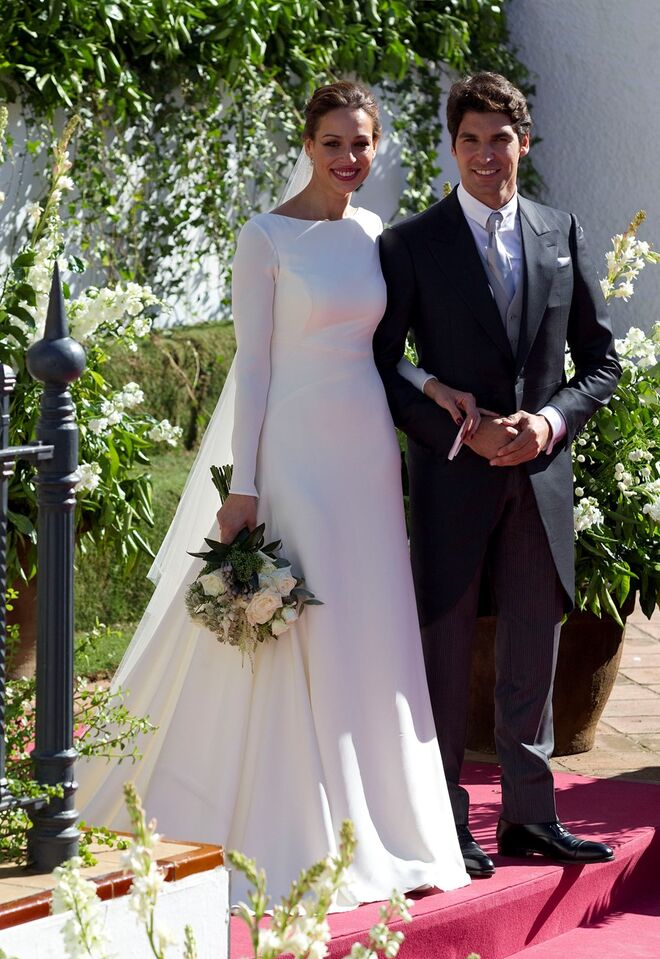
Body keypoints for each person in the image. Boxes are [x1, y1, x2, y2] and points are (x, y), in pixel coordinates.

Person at [76, 80, 472, 908]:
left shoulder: (374, 233)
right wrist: (244, 485)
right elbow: (252, 369)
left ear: (377, 145)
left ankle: (382, 819)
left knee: (367, 619)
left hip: (367, 455)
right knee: (302, 623)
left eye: (361, 143)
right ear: (308, 144)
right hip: (296, 455)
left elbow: (381, 352)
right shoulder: (266, 237)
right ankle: (295, 824)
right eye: (333, 143)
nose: (349, 158)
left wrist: (430, 385)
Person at [373, 71, 622, 878]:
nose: (486, 155)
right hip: (452, 481)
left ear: (525, 142)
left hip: (539, 482)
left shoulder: (560, 229)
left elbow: (601, 362)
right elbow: (381, 364)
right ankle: (444, 821)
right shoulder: (411, 243)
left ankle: (531, 818)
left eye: (500, 139)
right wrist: (463, 434)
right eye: (471, 140)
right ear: (453, 147)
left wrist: (547, 423)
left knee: (531, 658)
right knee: (444, 658)